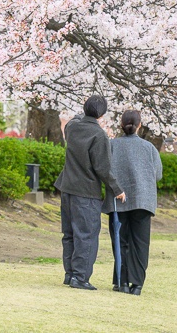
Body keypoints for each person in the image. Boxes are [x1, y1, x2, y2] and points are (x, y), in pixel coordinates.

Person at [54, 95, 126, 290]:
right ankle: (80, 277)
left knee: (69, 233)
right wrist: (117, 189)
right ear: (102, 114)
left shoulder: (72, 127)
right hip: (86, 192)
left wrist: (85, 112)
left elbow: (76, 118)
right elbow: (103, 168)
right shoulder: (99, 135)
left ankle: (70, 274)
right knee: (86, 234)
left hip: (67, 188)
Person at [103, 109, 162, 295]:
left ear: (121, 125)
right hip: (143, 200)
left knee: (120, 242)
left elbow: (105, 170)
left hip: (117, 200)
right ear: (139, 126)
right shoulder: (149, 148)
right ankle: (137, 284)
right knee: (140, 243)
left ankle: (121, 282)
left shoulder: (112, 145)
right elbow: (158, 175)